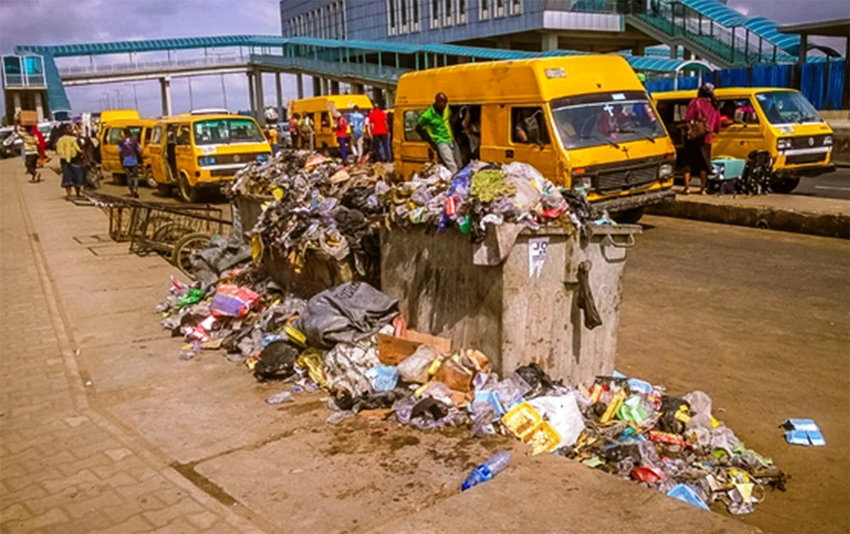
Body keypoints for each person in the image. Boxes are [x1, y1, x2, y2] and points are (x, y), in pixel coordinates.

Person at [682, 83, 722, 195]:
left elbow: (687, 118)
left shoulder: (694, 102)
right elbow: (718, 125)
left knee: (688, 163)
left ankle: (686, 188)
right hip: (707, 139)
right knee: (704, 164)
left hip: (693, 137)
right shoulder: (714, 105)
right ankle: (703, 189)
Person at [416, 92, 461, 173]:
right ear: (437, 102)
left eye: (445, 103)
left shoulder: (446, 109)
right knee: (452, 166)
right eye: (442, 103)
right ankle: (455, 184)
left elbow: (450, 120)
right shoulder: (427, 115)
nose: (444, 105)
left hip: (451, 139)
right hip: (441, 141)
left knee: (460, 164)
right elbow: (418, 128)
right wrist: (430, 141)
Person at [56, 124, 85, 198]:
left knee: (69, 177)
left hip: (69, 160)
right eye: (69, 129)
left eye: (71, 129)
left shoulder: (62, 140)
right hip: (72, 160)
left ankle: (73, 193)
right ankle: (72, 193)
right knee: (75, 176)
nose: (71, 130)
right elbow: (60, 150)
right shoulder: (69, 139)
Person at [118, 128, 142, 198]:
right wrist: (140, 160)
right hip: (134, 160)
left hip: (125, 161)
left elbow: (119, 152)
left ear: (124, 133)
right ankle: (135, 190)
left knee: (128, 177)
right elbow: (139, 150)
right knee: (135, 177)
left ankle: (131, 191)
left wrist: (121, 161)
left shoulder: (121, 142)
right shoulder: (134, 141)